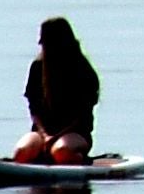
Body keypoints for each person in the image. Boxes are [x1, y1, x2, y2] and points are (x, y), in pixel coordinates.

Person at [12, 17, 101, 165]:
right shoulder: (37, 67)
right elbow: (34, 108)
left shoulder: (81, 70)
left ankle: (78, 160)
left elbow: (82, 115)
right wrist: (45, 135)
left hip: (75, 133)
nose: (41, 44)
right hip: (42, 133)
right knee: (22, 153)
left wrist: (55, 138)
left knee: (61, 152)